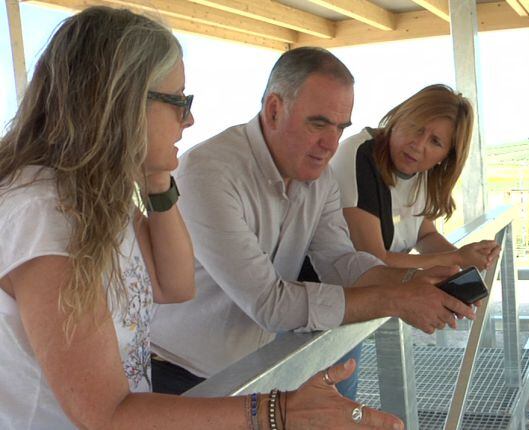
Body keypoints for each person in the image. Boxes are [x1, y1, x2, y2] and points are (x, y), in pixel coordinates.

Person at [0, 7, 401, 429]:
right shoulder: (45, 214)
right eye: (178, 101)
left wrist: (157, 178)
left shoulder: (102, 200)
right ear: (119, 102)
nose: (188, 119)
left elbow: (175, 286)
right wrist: (279, 412)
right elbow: (107, 414)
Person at [151, 47, 477, 400]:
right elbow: (270, 303)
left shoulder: (318, 179)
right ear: (274, 109)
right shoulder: (209, 173)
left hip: (254, 371)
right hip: (177, 378)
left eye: (340, 128)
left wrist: (416, 281)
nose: (331, 143)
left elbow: (340, 261)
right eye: (318, 123)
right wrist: (398, 299)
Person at [331, 84, 501, 271]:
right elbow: (374, 261)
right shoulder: (358, 155)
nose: (418, 145)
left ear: (446, 156)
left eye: (435, 141)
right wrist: (456, 258)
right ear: (398, 118)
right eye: (415, 127)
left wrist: (467, 261)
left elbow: (424, 236)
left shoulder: (421, 169)